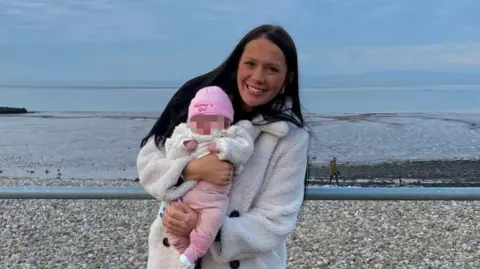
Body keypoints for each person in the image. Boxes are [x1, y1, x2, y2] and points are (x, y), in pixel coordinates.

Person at [137, 24, 311, 269]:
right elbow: (147, 162)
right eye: (250, 64)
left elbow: (276, 219)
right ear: (237, 63)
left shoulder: (290, 136)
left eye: (271, 69)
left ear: (288, 77)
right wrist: (190, 169)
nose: (258, 77)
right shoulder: (195, 98)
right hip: (173, 259)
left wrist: (206, 227)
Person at [163, 85, 256, 268]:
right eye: (200, 120)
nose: (205, 126)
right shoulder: (186, 134)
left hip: (214, 200)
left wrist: (224, 148)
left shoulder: (230, 135)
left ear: (226, 122)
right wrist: (184, 147)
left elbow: (244, 149)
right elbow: (169, 150)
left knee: (209, 225)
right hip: (187, 195)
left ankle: (194, 252)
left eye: (212, 120)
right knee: (171, 225)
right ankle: (185, 254)